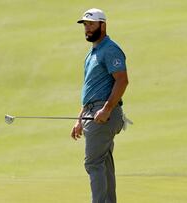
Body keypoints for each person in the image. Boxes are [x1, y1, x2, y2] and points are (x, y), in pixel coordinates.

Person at [70, 8, 129, 203]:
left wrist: (107, 109)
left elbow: (122, 80)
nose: (87, 29)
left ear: (102, 25)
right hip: (93, 112)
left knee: (93, 163)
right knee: (103, 162)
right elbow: (90, 91)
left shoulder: (110, 49)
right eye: (85, 25)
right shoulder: (92, 53)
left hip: (104, 114)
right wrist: (80, 119)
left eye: (91, 24)